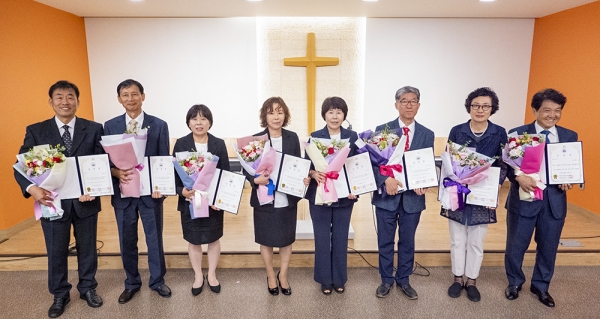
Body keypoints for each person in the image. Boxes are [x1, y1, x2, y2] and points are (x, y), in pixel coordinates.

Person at [14, 81, 104, 318]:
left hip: (86, 200)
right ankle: (60, 294)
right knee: (55, 250)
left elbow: (101, 164)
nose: (65, 102)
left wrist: (96, 188)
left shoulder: (94, 128)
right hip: (52, 202)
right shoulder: (36, 130)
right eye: (59, 97)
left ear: (78, 101)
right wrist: (32, 189)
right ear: (51, 101)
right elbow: (20, 167)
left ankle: (88, 288)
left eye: (70, 97)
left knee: (88, 249)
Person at [504, 88, 578, 307]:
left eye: (557, 111)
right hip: (525, 197)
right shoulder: (517, 133)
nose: (552, 115)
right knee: (516, 244)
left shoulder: (569, 135)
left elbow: (572, 165)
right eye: (546, 110)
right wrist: (518, 177)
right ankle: (514, 282)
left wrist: (570, 178)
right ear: (535, 110)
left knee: (548, 246)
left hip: (554, 200)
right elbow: (507, 165)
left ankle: (541, 286)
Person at [104, 79, 171, 303]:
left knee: (154, 238)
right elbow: (105, 160)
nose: (130, 99)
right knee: (127, 240)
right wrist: (115, 173)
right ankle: (131, 282)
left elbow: (163, 159)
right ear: (119, 99)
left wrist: (161, 188)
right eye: (125, 95)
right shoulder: (110, 125)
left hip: (149, 194)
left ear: (143, 96)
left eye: (134, 94)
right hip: (123, 193)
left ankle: (158, 281)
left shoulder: (159, 125)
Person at [441, 87, 508, 302]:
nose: (480, 110)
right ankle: (457, 278)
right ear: (469, 107)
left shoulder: (499, 132)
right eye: (476, 105)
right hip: (459, 191)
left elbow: (503, 163)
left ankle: (472, 280)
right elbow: (449, 160)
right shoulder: (457, 130)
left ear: (492, 109)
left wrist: (495, 188)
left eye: (485, 106)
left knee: (477, 241)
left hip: (483, 193)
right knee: (457, 239)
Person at [373, 86, 435, 299]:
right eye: (404, 100)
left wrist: (425, 182)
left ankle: (404, 279)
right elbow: (373, 163)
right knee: (385, 240)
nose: (409, 104)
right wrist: (385, 179)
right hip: (386, 196)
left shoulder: (427, 134)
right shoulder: (383, 130)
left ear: (418, 105)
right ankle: (386, 280)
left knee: (408, 241)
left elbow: (427, 164)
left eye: (413, 101)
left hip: (413, 198)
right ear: (396, 104)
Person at [244, 97, 310, 296]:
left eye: (280, 112)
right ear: (265, 115)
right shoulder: (256, 139)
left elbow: (298, 164)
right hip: (265, 198)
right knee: (266, 239)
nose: (276, 116)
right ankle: (271, 275)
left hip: (287, 197)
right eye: (271, 112)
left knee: (286, 239)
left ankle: (283, 275)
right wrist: (254, 180)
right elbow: (247, 169)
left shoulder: (292, 137)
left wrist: (303, 179)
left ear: (285, 115)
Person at [173, 104, 230, 295]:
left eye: (203, 118)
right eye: (195, 119)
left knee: (213, 239)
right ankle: (198, 275)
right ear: (189, 122)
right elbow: (174, 176)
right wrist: (182, 191)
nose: (199, 122)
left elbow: (225, 174)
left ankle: (212, 274)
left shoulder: (218, 144)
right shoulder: (180, 144)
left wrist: (219, 199)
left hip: (212, 202)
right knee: (194, 239)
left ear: (210, 122)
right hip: (190, 201)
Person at [305, 97, 358, 295]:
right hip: (320, 194)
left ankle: (339, 278)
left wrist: (357, 187)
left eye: (338, 112)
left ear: (344, 115)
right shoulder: (315, 136)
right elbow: (307, 164)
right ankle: (324, 279)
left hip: (345, 195)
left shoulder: (353, 137)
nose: (335, 116)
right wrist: (312, 173)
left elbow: (359, 164)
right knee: (321, 237)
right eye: (330, 112)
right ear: (324, 115)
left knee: (341, 237)